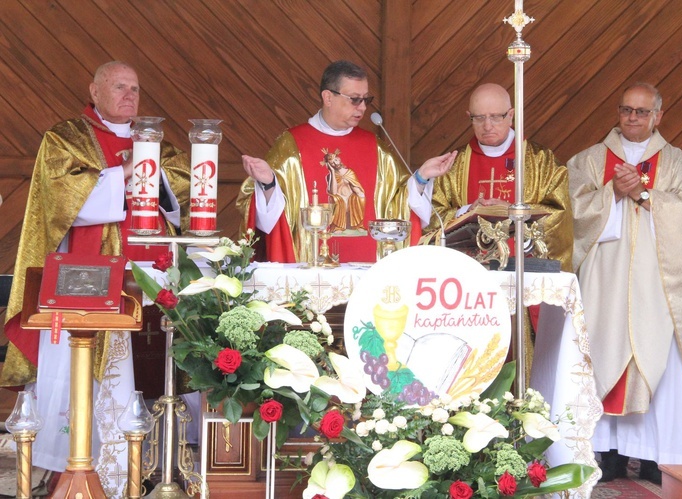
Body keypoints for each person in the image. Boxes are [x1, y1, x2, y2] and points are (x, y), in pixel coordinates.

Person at [0, 61, 191, 496]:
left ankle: (145, 468)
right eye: (120, 86)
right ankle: (75, 469)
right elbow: (65, 198)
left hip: (148, 271)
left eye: (136, 88)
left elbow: (178, 194)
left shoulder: (156, 142)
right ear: (95, 90)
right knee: (79, 372)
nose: (129, 95)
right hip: (85, 279)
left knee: (151, 365)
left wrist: (151, 168)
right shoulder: (65, 138)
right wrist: (129, 170)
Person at [567, 82, 682, 484]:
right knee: (604, 355)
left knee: (659, 361)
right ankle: (608, 456)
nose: (633, 117)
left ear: (658, 116)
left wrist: (644, 195)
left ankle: (656, 457)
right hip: (605, 281)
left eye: (642, 112)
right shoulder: (591, 159)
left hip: (657, 282)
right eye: (626, 109)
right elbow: (571, 210)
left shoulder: (677, 162)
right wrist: (613, 190)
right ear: (618, 111)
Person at [236, 60, 456, 263]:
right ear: (328, 97)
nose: (362, 107)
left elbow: (398, 206)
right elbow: (270, 223)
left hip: (367, 271)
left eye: (366, 99)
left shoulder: (376, 147)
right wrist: (268, 184)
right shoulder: (291, 147)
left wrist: (421, 178)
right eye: (354, 99)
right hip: (307, 269)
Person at [424, 83, 573, 272]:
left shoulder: (541, 160)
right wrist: (467, 211)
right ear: (469, 117)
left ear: (510, 115)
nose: (487, 126)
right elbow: (433, 218)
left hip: (523, 271)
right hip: (469, 273)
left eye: (495, 117)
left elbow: (560, 215)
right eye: (479, 118)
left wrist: (517, 214)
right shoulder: (454, 164)